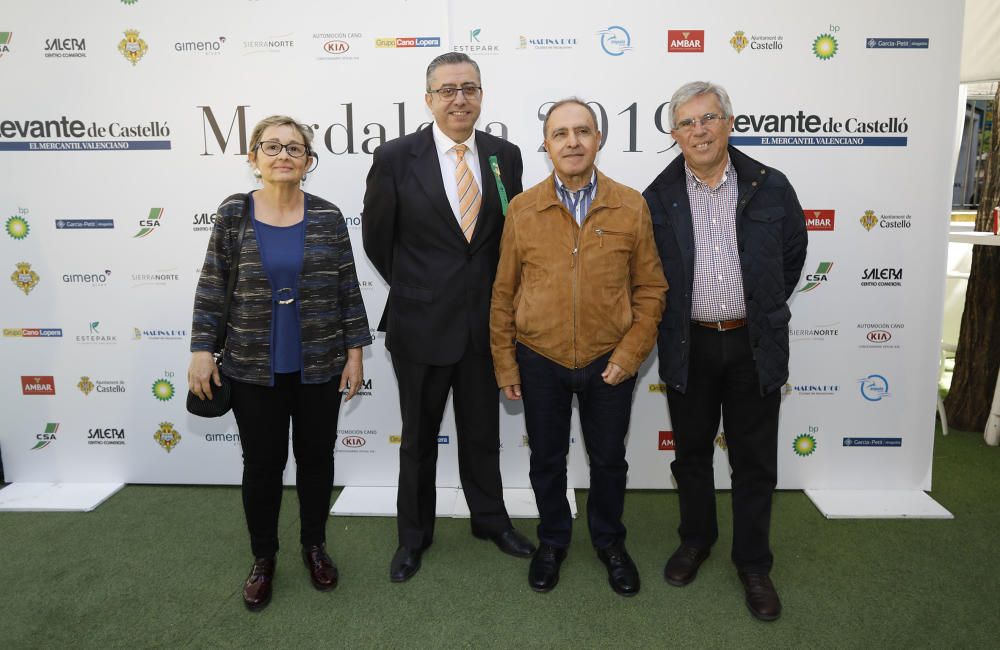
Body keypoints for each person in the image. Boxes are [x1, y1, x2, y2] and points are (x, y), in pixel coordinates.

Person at [362, 52, 534, 582]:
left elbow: (511, 236)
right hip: (420, 325)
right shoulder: (395, 157)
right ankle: (413, 537)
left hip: (487, 326)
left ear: (482, 95)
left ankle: (490, 519)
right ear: (429, 98)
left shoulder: (505, 155)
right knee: (418, 437)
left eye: (470, 88)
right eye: (448, 90)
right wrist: (422, 289)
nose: (460, 98)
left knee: (483, 432)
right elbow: (376, 238)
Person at [188, 115, 371, 611]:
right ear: (254, 158)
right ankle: (263, 558)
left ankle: (314, 546)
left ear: (308, 161)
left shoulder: (330, 217)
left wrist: (354, 354)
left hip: (319, 364)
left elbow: (348, 289)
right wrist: (202, 349)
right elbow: (212, 284)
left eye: (294, 148)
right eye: (272, 146)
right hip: (251, 368)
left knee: (316, 462)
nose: (283, 155)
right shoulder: (233, 214)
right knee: (262, 467)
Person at [643, 81, 807, 621]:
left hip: (752, 342)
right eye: (687, 123)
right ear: (674, 135)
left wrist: (754, 308)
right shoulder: (657, 195)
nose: (699, 130)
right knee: (691, 453)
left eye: (708, 118)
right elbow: (649, 276)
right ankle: (696, 539)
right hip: (688, 343)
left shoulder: (770, 185)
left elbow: (791, 258)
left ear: (729, 123)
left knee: (754, 461)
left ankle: (754, 563)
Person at [490, 98, 668, 596]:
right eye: (561, 133)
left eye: (582, 131)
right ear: (546, 146)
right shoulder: (523, 209)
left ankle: (610, 542)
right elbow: (503, 292)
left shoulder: (631, 204)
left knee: (609, 460)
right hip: (539, 358)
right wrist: (506, 362)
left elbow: (651, 290)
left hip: (609, 360)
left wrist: (629, 356)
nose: (572, 141)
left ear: (598, 139)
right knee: (546, 458)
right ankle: (553, 542)